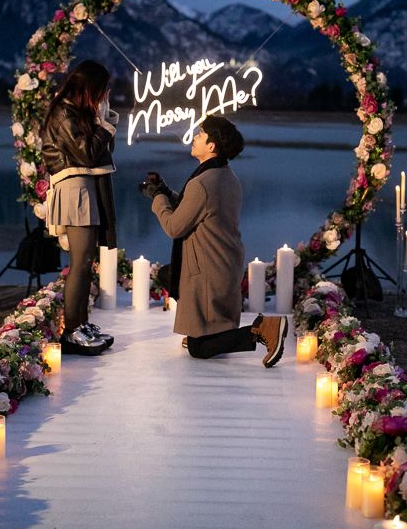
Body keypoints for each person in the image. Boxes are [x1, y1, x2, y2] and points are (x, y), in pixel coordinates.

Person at [140, 115, 287, 367]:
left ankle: (264, 329)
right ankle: (207, 332)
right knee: (169, 274)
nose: (194, 137)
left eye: (200, 134)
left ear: (211, 146)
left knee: (199, 349)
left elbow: (175, 227)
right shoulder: (224, 175)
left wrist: (158, 200)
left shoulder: (202, 182)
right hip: (223, 262)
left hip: (208, 268)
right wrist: (165, 191)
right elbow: (197, 207)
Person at [40, 60, 118, 356]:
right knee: (81, 261)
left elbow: (97, 153)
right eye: (102, 90)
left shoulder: (75, 111)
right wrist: (106, 126)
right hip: (74, 189)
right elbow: (85, 153)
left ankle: (81, 324)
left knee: (86, 262)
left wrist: (102, 121)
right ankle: (72, 330)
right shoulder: (63, 112)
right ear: (90, 88)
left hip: (84, 187)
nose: (105, 94)